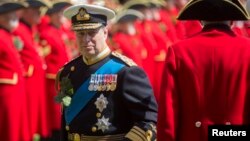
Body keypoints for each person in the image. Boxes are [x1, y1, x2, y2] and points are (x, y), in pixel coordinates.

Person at [55, 3, 158, 141]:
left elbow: (148, 121)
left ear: (105, 33)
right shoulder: (68, 71)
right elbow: (66, 123)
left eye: (92, 33)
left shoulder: (126, 71)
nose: (86, 40)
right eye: (80, 33)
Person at [157, 0, 250, 141]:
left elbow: (168, 114)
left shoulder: (178, 51)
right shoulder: (247, 50)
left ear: (200, 20)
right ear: (232, 21)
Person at [13, 0, 51, 140]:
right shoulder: (18, 29)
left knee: (34, 118)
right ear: (25, 11)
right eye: (35, 9)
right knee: (28, 118)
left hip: (35, 79)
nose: (38, 13)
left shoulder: (30, 28)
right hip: (27, 79)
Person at [38, 0, 72, 140]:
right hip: (54, 79)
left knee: (63, 112)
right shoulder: (47, 34)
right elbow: (46, 58)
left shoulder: (60, 32)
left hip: (64, 79)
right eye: (58, 14)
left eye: (62, 14)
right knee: (55, 114)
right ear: (51, 16)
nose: (61, 18)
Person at [0, 1, 30, 141]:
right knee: (9, 127)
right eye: (10, 13)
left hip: (16, 88)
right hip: (6, 89)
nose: (14, 16)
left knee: (17, 126)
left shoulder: (9, 35)